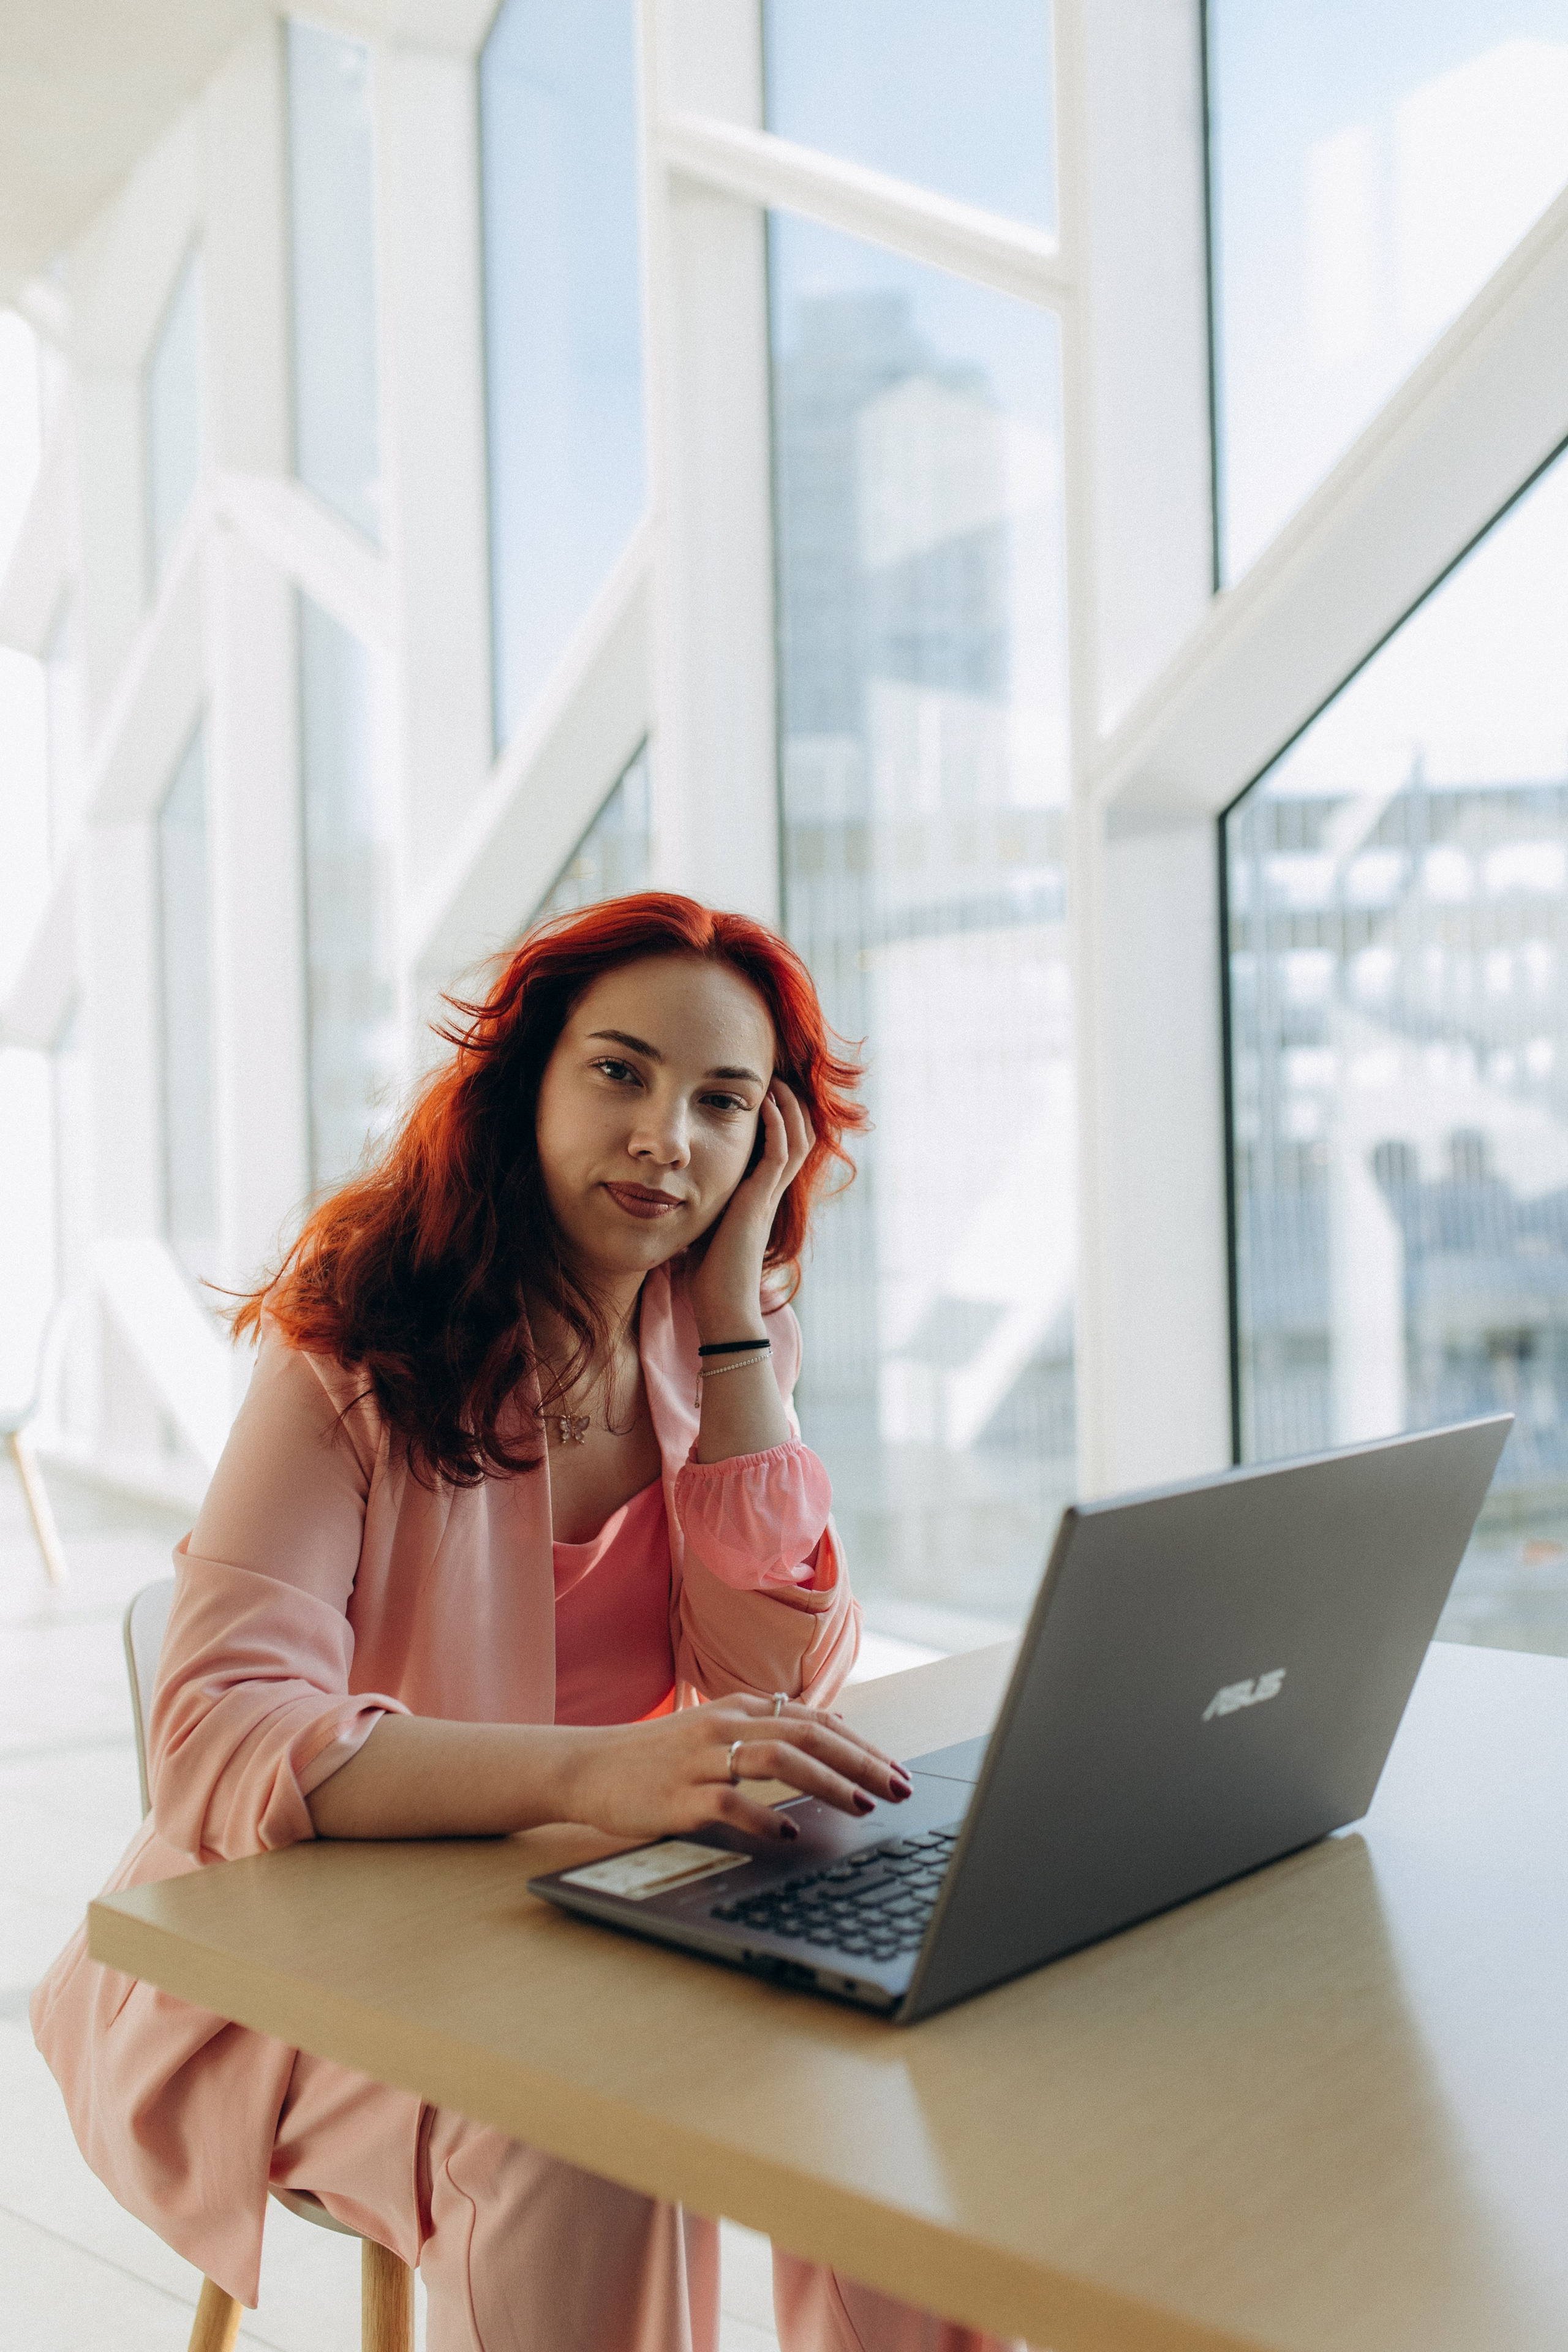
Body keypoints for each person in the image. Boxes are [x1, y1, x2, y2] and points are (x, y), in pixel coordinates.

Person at [32, 893, 1023, 2352]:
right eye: (619, 1072)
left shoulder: (719, 1348)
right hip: (300, 1967)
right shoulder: (351, 1354)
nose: (664, 1139)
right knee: (587, 2125)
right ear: (526, 1083)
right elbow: (215, 1737)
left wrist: (736, 1324)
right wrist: (597, 1773)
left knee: (893, 2052)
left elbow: (772, 1679)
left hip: (608, 1911)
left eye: (721, 1103)